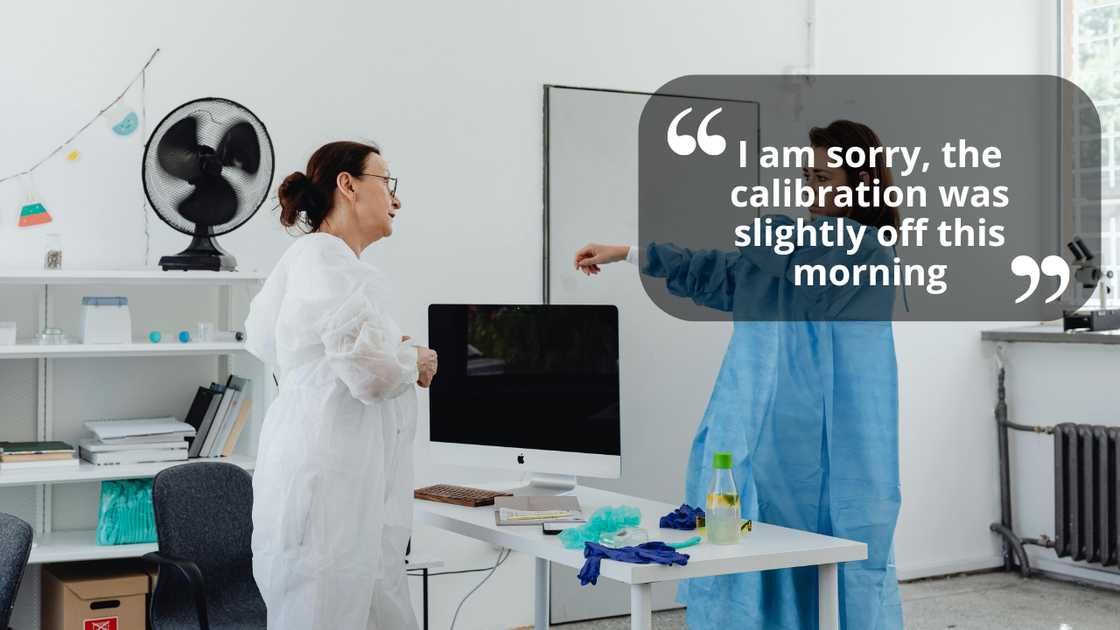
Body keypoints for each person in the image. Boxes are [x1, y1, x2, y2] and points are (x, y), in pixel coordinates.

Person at [575, 120, 904, 629]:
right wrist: (630, 253)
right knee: (757, 547)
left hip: (835, 443)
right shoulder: (784, 251)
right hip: (769, 438)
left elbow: (798, 259)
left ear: (860, 183)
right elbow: (721, 270)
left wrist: (764, 234)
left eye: (823, 178)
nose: (810, 189)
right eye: (807, 177)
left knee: (828, 551)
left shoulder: (865, 250)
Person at [244, 141, 438, 629]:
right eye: (387, 182)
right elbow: (372, 375)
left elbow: (276, 342)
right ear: (348, 185)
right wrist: (413, 359)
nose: (396, 200)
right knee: (329, 608)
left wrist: (386, 350)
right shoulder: (325, 258)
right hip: (330, 485)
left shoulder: (313, 260)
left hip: (330, 477)